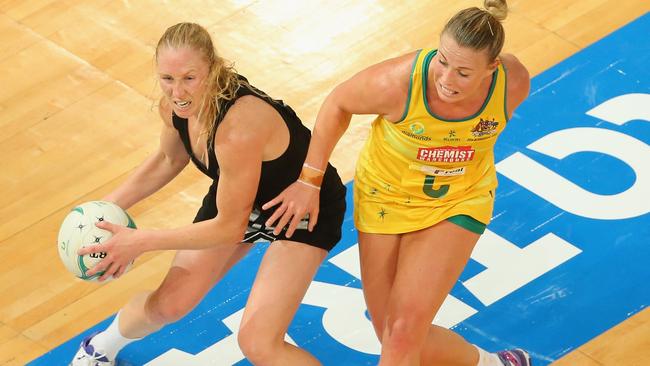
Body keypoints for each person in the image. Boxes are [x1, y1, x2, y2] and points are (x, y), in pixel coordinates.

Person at [263, 0, 532, 365]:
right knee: (389, 330)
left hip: (457, 200)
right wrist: (309, 180)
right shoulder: (398, 83)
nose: (447, 80)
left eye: (464, 73)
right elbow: (337, 103)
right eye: (443, 61)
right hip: (384, 199)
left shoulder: (513, 82)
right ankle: (495, 363)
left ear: (492, 68)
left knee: (404, 331)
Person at [70, 22, 346, 366]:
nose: (178, 92)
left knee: (259, 343)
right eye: (167, 79)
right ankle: (100, 348)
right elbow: (169, 159)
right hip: (239, 196)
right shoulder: (175, 108)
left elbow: (230, 228)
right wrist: (106, 207)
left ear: (213, 68)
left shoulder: (238, 128)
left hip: (302, 209)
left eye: (189, 78)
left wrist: (139, 241)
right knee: (168, 304)